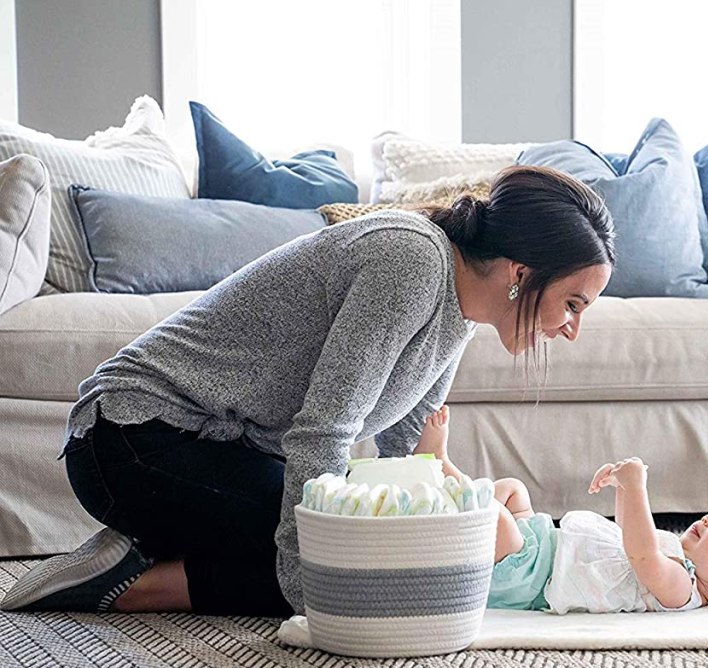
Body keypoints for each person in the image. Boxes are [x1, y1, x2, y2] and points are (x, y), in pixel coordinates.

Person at [0, 165, 615, 618]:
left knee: (374, 554)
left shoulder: (462, 310)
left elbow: (405, 457)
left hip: (215, 451)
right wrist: (313, 592)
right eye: (572, 304)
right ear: (521, 273)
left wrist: (433, 528)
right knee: (345, 569)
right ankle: (126, 583)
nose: (571, 329)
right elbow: (325, 432)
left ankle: (139, 553)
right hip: (132, 438)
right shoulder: (413, 261)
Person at [415, 406, 708, 613]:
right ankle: (448, 520)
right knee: (512, 491)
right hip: (545, 542)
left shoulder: (683, 590)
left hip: (533, 578)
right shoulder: (679, 556)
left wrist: (636, 488)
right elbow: (629, 535)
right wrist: (620, 486)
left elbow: (642, 553)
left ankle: (440, 469)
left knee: (496, 519)